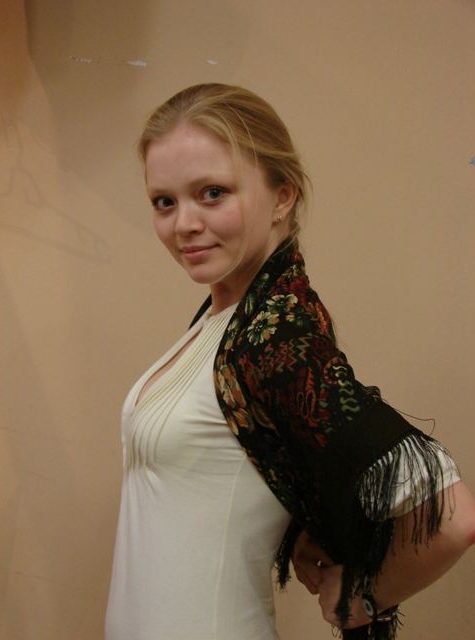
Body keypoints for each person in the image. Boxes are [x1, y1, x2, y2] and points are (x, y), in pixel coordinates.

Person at [105, 83, 475, 640]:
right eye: (164, 202)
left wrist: (363, 596)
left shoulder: (274, 336)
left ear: (283, 197)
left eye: (212, 193)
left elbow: (451, 519)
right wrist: (304, 523)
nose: (183, 224)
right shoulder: (226, 323)